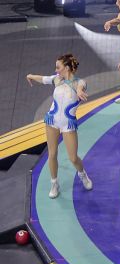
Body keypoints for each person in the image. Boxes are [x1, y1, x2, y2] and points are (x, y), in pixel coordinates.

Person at [27, 54, 92, 198]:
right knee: (52, 154)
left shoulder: (79, 82)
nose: (56, 69)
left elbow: (81, 86)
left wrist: (80, 91)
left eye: (58, 67)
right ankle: (54, 183)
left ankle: (82, 174)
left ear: (67, 68)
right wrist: (31, 75)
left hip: (68, 124)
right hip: (52, 121)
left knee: (73, 158)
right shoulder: (57, 79)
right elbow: (43, 79)